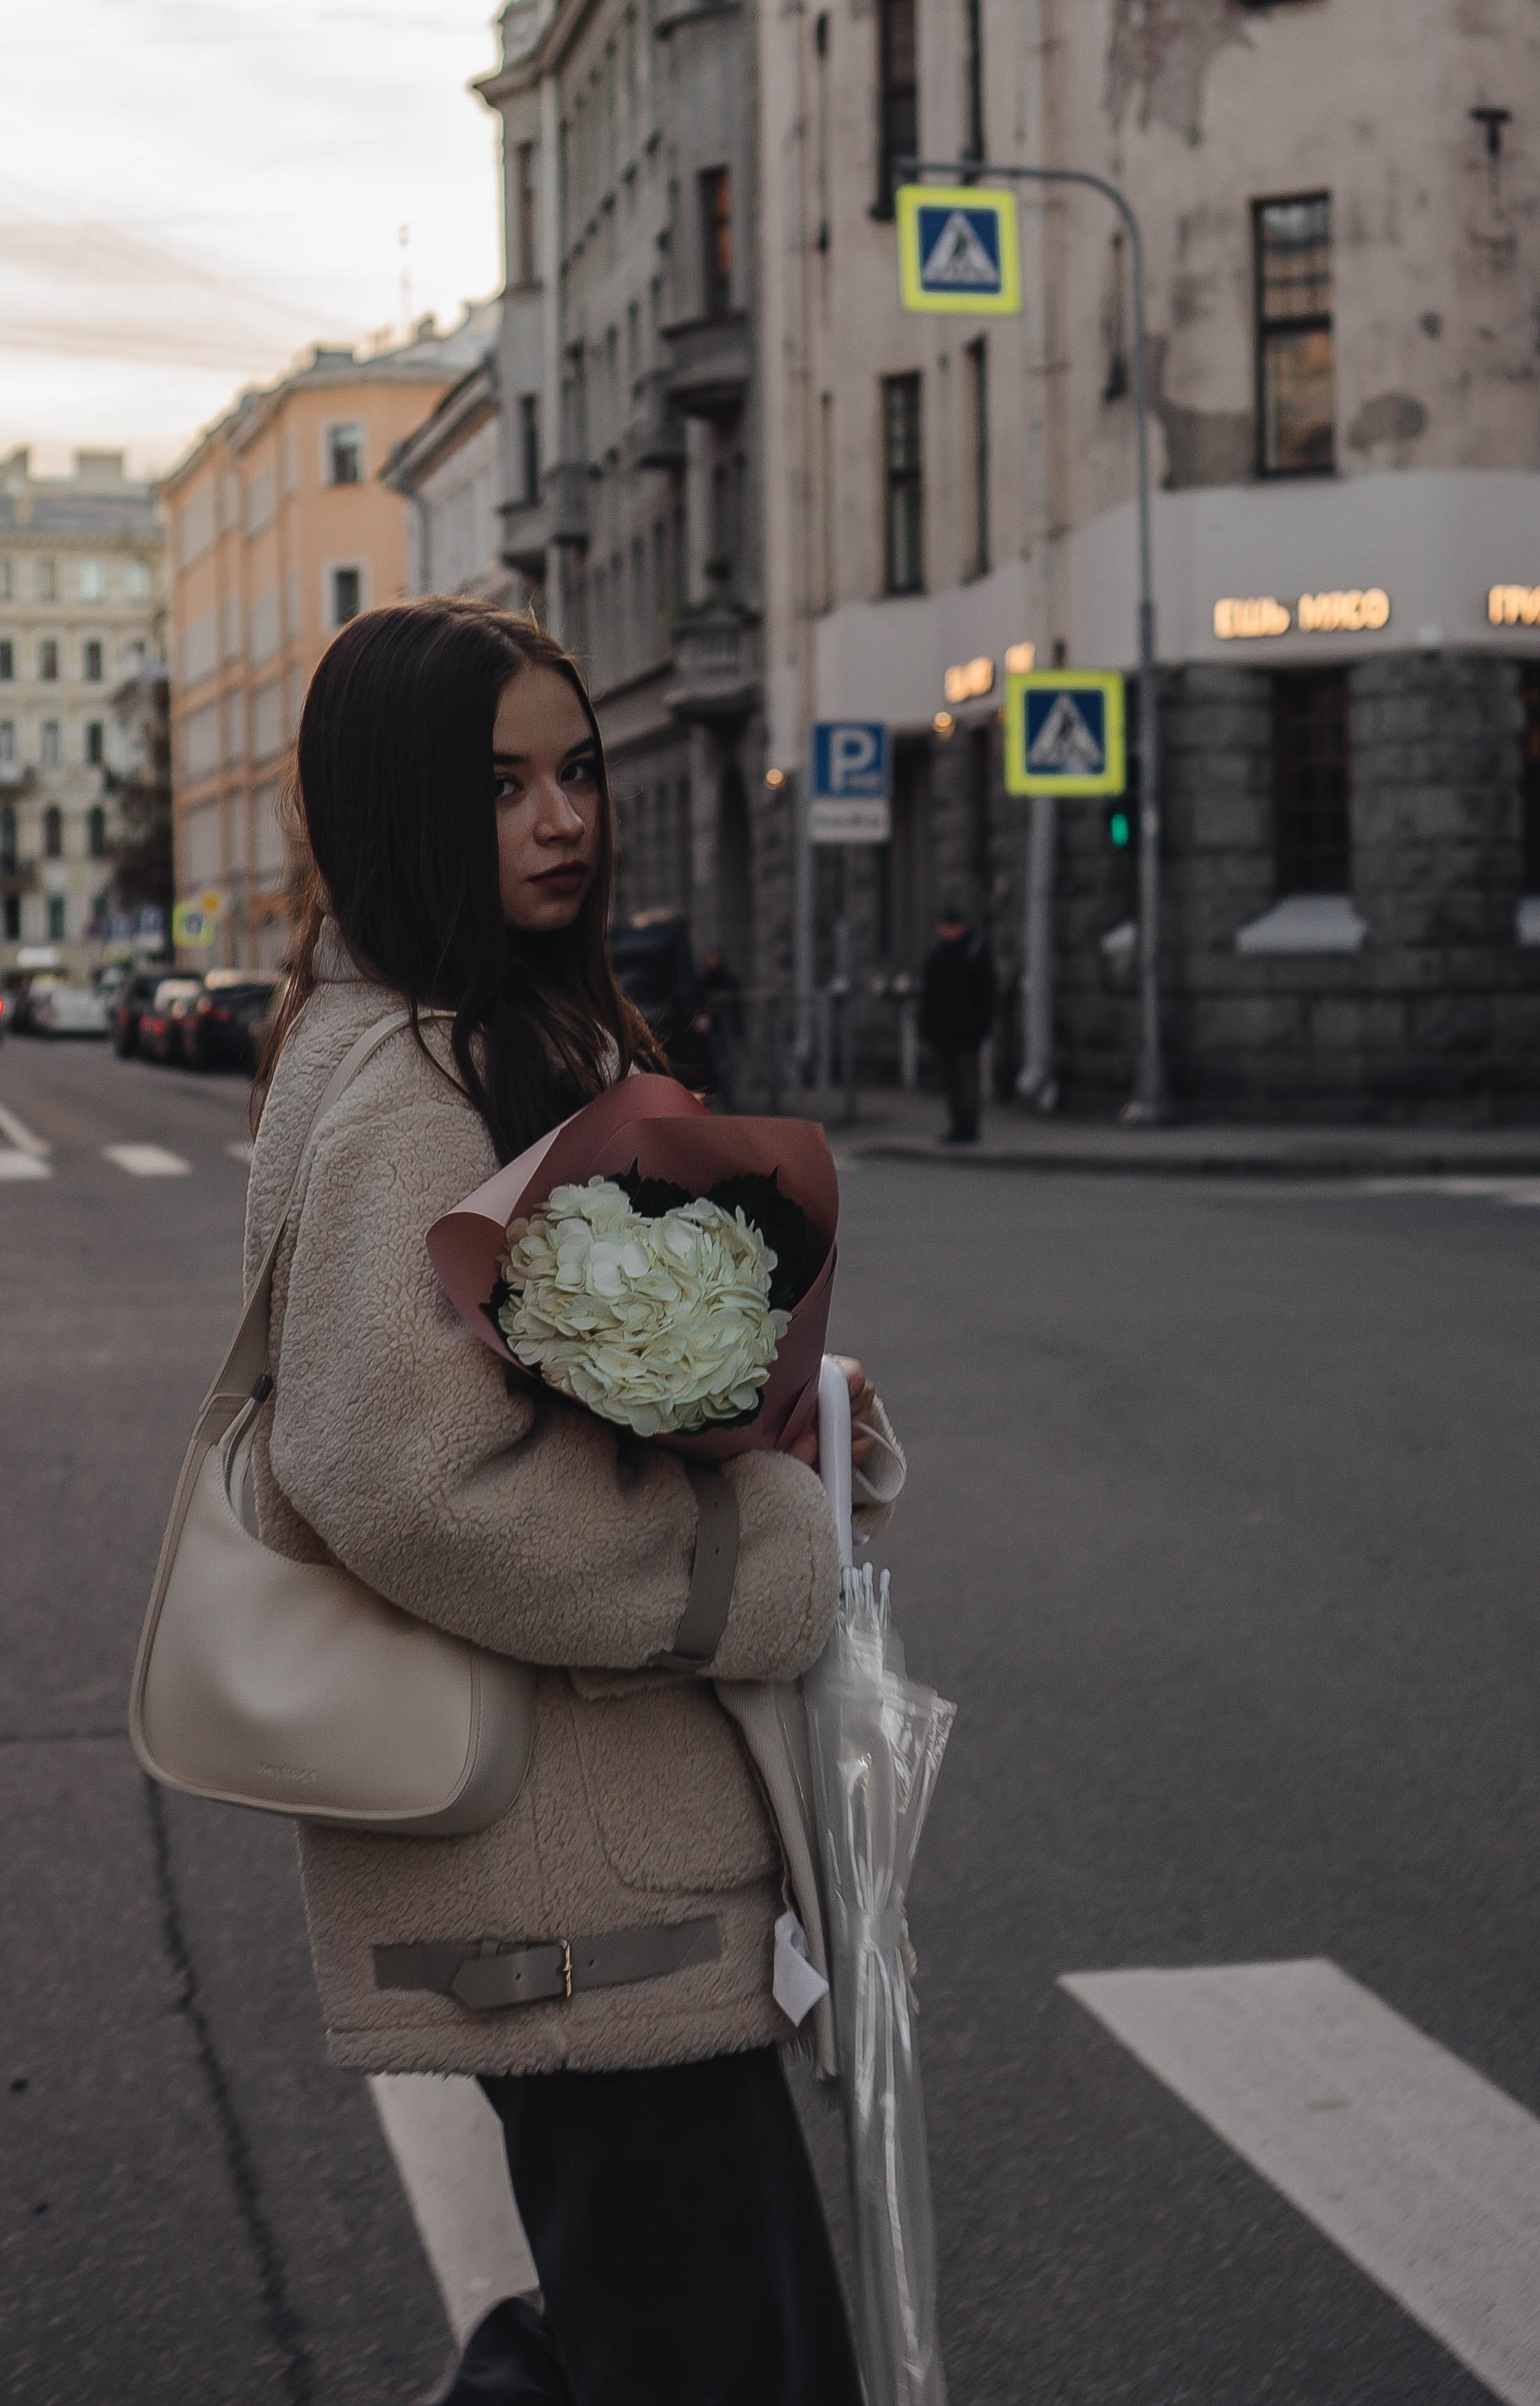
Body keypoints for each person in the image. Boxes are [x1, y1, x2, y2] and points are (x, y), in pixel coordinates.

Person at [247, 599, 904, 2405]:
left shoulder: (497, 1033)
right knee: (728, 2356)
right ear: (399, 808)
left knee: (666, 2332)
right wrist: (756, 1561)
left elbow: (594, 1399)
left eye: (579, 771)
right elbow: (395, 1469)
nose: (565, 819)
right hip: (571, 1875)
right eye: (504, 785)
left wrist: (805, 1413)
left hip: (597, 1862)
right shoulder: (413, 1084)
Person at [918, 903, 996, 1145]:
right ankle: (957, 1126)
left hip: (966, 1032)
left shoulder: (973, 954)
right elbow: (929, 996)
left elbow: (987, 994)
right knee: (952, 1082)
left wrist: (980, 1025)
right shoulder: (939, 956)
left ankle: (968, 1128)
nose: (946, 932)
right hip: (944, 1032)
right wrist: (927, 1027)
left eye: (950, 928)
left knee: (966, 1080)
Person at [694, 944, 744, 1107]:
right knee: (712, 1063)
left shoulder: (727, 980)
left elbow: (735, 1003)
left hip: (724, 1028)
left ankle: (728, 1097)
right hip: (711, 1030)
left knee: (727, 1064)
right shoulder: (704, 981)